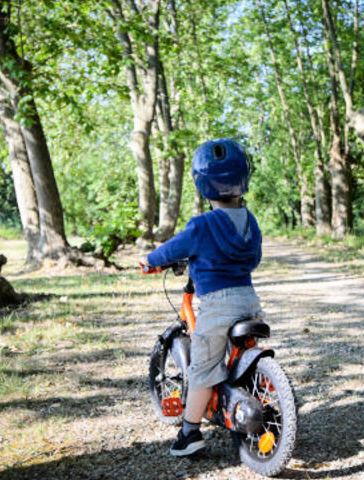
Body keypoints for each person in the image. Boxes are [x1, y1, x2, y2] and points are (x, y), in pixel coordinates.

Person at [140, 138, 263, 456]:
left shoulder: (202, 225)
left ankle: (190, 433)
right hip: (249, 300)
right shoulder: (251, 222)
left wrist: (151, 260)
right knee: (237, 355)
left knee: (202, 370)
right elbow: (253, 260)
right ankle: (255, 393)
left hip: (217, 306)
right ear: (243, 180)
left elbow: (174, 248)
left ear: (202, 184)